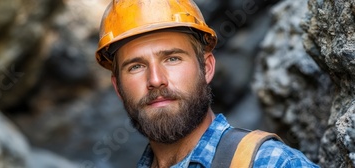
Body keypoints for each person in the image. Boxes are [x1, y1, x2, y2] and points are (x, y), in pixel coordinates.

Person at [94, 0, 319, 167]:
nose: (155, 80)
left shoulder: (271, 163)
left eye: (172, 58)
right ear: (118, 87)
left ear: (207, 68)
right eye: (136, 66)